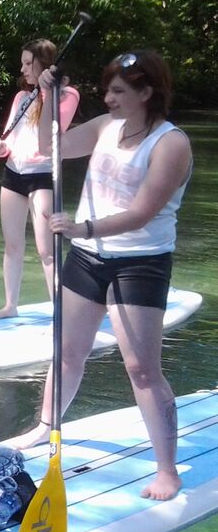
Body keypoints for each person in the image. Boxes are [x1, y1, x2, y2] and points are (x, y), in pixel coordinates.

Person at [11, 49, 193, 501]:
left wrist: (80, 227)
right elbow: (50, 146)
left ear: (146, 92)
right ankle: (46, 425)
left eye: (117, 91)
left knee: (142, 369)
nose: (107, 98)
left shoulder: (171, 143)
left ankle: (167, 470)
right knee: (68, 351)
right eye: (107, 89)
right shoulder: (105, 128)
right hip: (88, 257)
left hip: (140, 262)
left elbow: (142, 213)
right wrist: (48, 95)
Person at [0, 40, 80, 320]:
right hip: (14, 174)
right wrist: (0, 147)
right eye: (23, 62)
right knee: (12, 244)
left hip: (43, 176)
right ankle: (10, 306)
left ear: (44, 65)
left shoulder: (67, 95)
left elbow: (51, 137)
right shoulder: (20, 98)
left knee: (46, 249)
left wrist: (46, 91)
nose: (23, 68)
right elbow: (8, 139)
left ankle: (59, 313)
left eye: (29, 63)